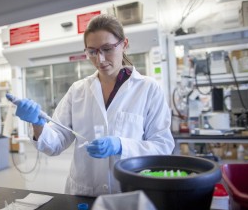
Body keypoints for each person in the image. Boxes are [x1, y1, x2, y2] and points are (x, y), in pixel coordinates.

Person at [13, 14, 174, 197]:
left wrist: (121, 145)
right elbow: (55, 143)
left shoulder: (148, 89)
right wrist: (37, 123)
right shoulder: (78, 91)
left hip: (128, 194)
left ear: (124, 44)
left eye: (107, 49)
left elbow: (162, 147)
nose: (100, 59)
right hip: (84, 193)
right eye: (92, 51)